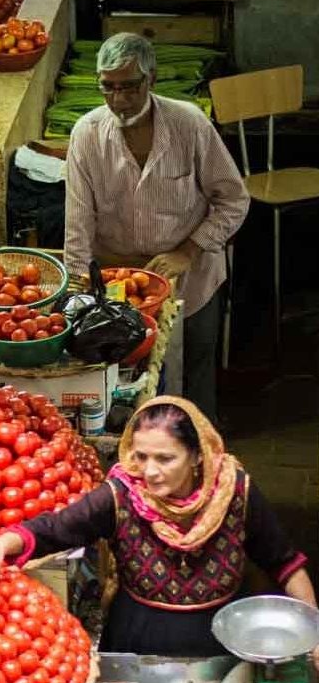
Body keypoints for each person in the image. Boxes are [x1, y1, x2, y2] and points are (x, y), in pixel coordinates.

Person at [0, 397, 319, 668]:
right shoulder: (120, 496)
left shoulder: (235, 492)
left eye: (165, 459)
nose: (150, 471)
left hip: (222, 643)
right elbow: (55, 529)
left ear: (197, 456)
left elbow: (285, 563)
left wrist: (312, 628)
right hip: (137, 641)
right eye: (141, 456)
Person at [63, 32, 249, 421]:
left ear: (152, 79)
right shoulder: (87, 134)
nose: (118, 100)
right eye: (107, 88)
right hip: (121, 284)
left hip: (192, 279)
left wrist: (187, 251)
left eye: (129, 87)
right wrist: (80, 291)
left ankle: (201, 457)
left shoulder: (189, 125)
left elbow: (234, 200)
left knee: (193, 379)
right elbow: (78, 221)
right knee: (130, 383)